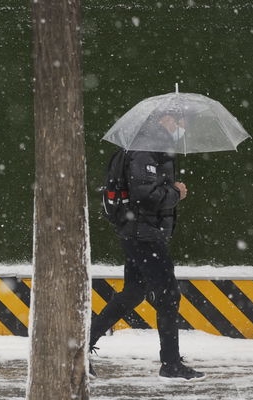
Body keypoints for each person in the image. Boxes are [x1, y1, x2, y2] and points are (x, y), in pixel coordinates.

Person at [89, 112, 206, 381]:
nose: (183, 129)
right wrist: (177, 192)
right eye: (180, 122)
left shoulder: (149, 149)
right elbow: (145, 195)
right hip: (144, 234)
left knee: (133, 292)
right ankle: (171, 364)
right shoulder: (144, 151)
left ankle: (80, 346)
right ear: (166, 119)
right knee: (169, 295)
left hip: (138, 232)